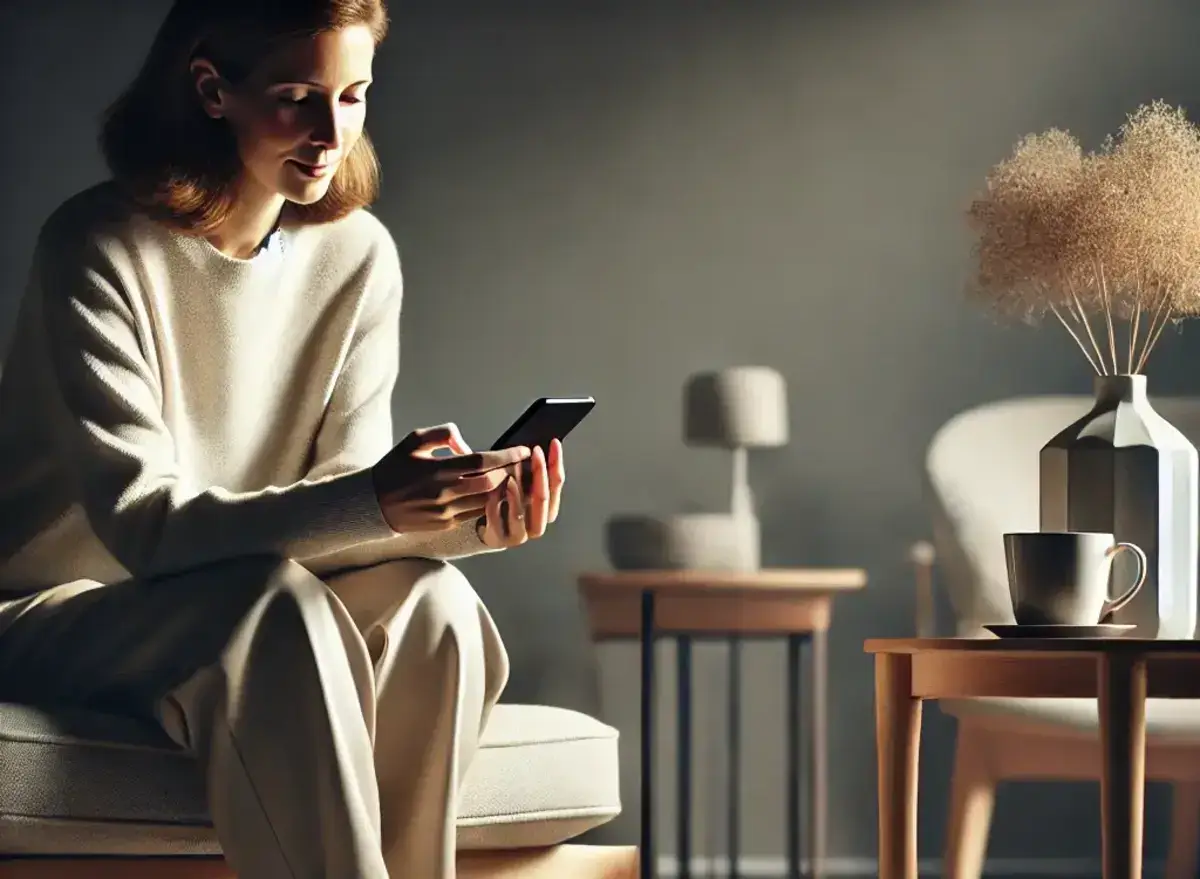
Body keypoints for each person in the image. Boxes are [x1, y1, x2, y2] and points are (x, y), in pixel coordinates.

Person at [0, 0, 566, 876]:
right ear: (211, 89)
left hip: (241, 597)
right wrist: (375, 500)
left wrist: (466, 520)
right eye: (298, 95)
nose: (328, 131)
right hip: (59, 608)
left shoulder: (358, 256)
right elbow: (144, 525)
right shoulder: (96, 245)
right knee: (269, 603)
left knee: (435, 603)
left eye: (353, 96)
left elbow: (344, 511)